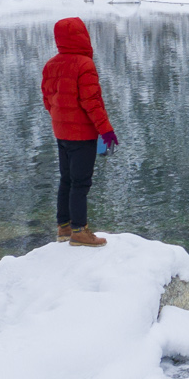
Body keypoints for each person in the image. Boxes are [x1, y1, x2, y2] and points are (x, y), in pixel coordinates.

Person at [41, 17, 118, 246]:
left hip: (61, 132)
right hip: (82, 134)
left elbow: (47, 100)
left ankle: (63, 227)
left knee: (66, 179)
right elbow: (92, 103)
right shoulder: (84, 65)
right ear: (83, 36)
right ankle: (79, 231)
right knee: (81, 183)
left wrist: (60, 119)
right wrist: (107, 132)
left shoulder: (51, 64)